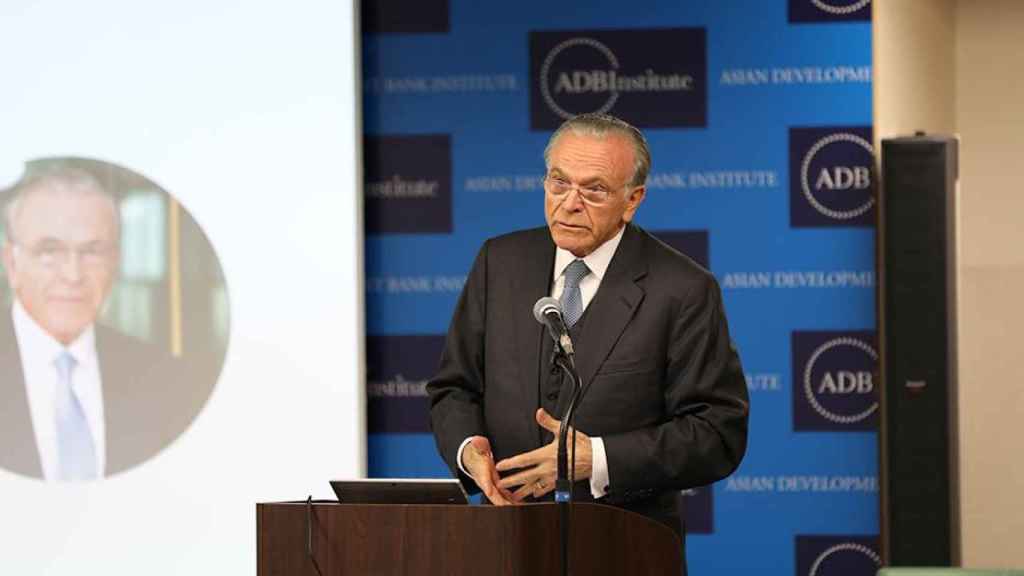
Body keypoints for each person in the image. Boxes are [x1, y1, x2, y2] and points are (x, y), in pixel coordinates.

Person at [427, 113, 749, 572]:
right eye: (559, 183)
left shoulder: (683, 289)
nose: (569, 203)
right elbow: (453, 387)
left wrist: (596, 458)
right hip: (503, 543)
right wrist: (468, 450)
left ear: (632, 199)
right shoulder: (499, 263)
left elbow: (718, 433)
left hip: (624, 548)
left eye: (593, 190)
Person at [0, 165, 188, 482]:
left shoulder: (166, 378)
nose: (73, 274)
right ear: (12, 263)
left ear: (115, 262)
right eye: (50, 250)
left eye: (93, 251)